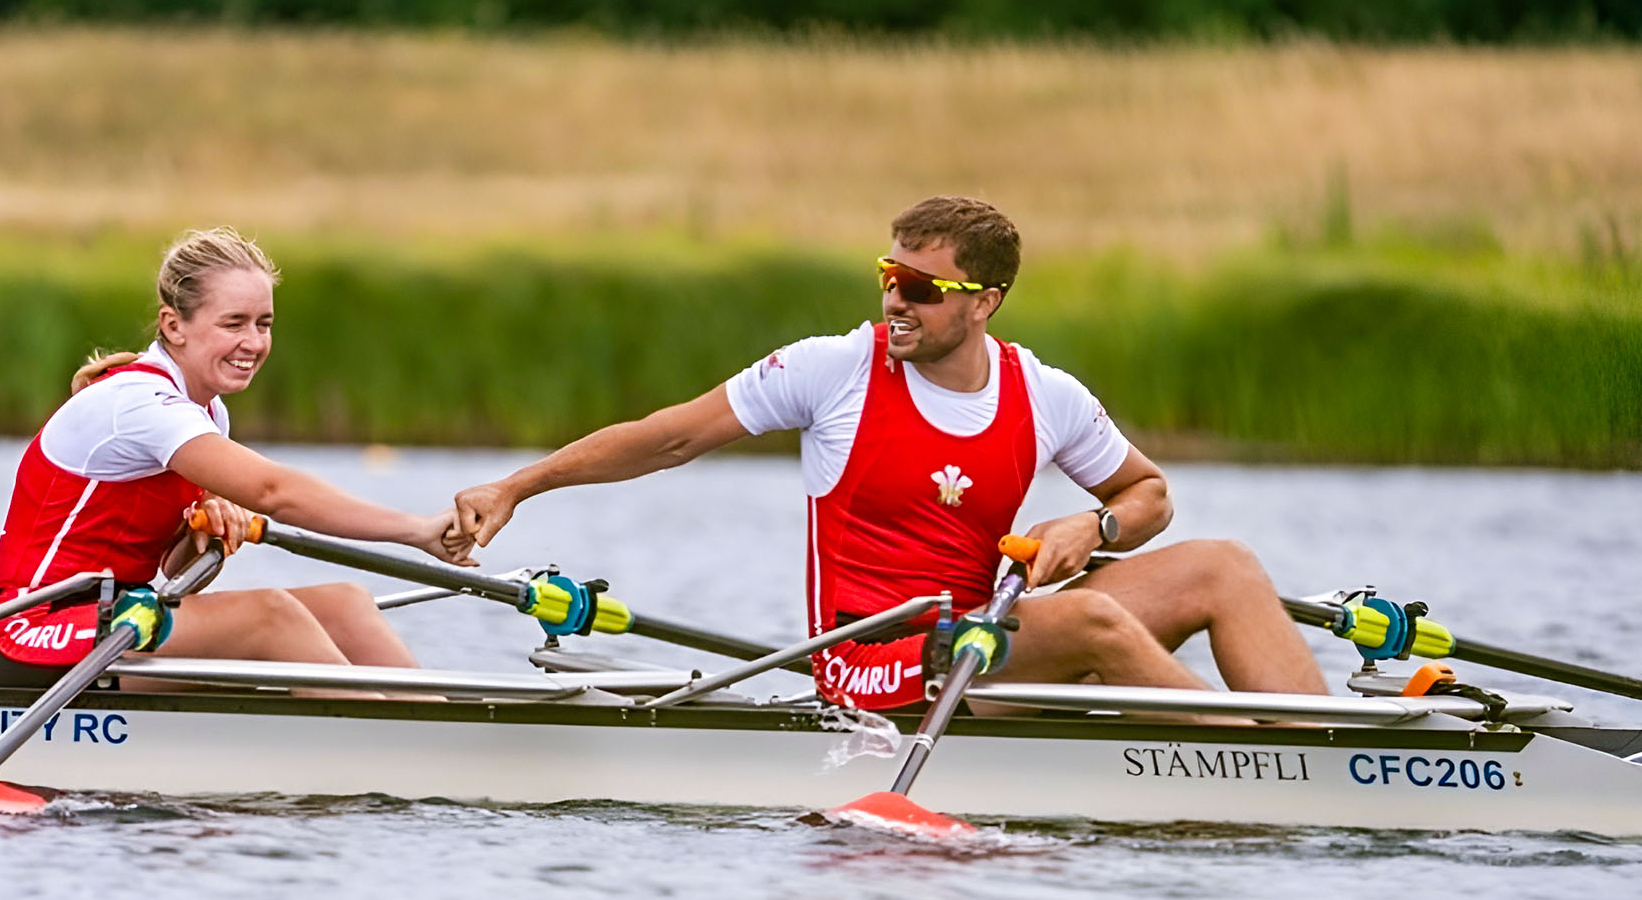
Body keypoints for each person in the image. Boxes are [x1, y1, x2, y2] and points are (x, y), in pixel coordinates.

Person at [448, 196, 1327, 711]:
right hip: (872, 659)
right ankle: (1246, 761)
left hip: (981, 632)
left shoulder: (1044, 394)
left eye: (920, 287)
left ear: (984, 302)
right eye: (888, 276)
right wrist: (523, 485)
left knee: (1223, 565)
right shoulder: (833, 369)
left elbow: (1151, 496)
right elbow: (670, 434)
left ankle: (1326, 755)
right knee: (1094, 622)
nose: (894, 300)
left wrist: (1093, 524)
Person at [0, 227, 470, 689]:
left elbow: (176, 568)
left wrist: (204, 532)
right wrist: (416, 531)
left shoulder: (209, 414)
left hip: (122, 617)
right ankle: (392, 753)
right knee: (270, 616)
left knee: (346, 604)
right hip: (25, 632)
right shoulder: (137, 402)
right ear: (174, 324)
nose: (253, 342)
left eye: (264, 323)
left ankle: (443, 736)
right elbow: (274, 493)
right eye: (234, 323)